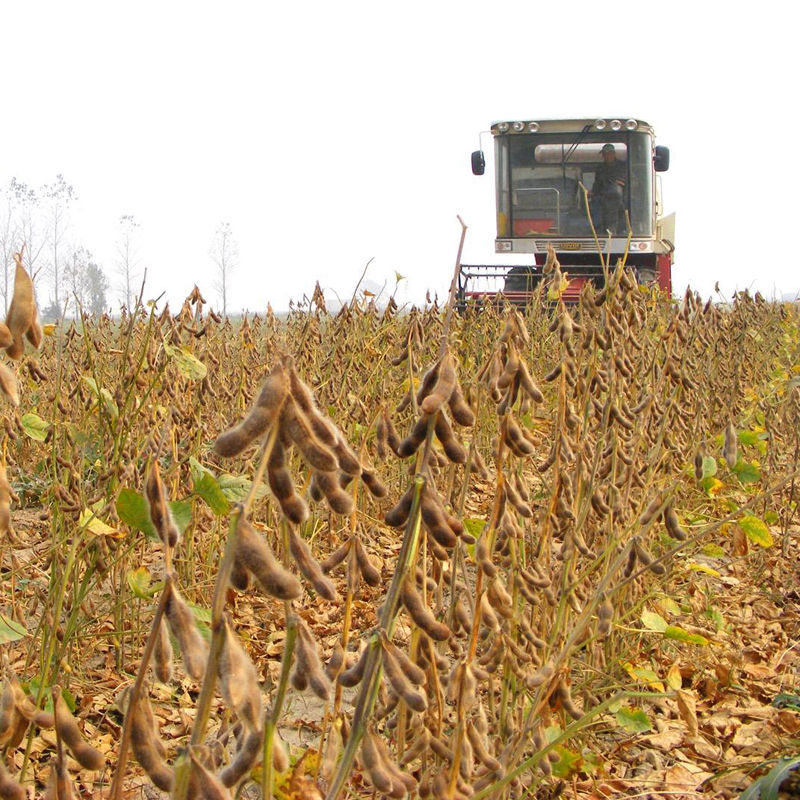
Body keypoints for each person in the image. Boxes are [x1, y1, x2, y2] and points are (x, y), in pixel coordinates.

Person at [590, 143, 626, 233]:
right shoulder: (600, 168)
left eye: (608, 154)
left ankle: (618, 231)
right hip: (602, 198)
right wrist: (591, 193)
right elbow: (597, 185)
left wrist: (617, 183)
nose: (606, 156)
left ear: (613, 153)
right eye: (604, 154)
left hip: (621, 199)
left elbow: (630, 182)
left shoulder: (623, 166)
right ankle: (597, 231)